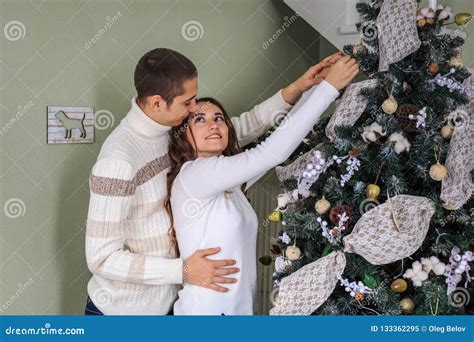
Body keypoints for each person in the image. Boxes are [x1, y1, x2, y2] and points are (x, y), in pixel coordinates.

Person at [84, 47, 343, 315]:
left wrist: (301, 88)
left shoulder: (173, 126)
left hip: (171, 302)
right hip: (121, 313)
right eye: (188, 104)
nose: (195, 108)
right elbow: (101, 258)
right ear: (157, 103)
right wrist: (182, 270)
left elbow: (236, 130)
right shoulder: (118, 161)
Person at [166, 56, 359, 315]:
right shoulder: (196, 173)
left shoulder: (226, 179)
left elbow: (267, 153)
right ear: (182, 137)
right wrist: (328, 89)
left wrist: (310, 87)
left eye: (219, 118)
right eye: (199, 119)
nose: (213, 124)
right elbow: (271, 153)